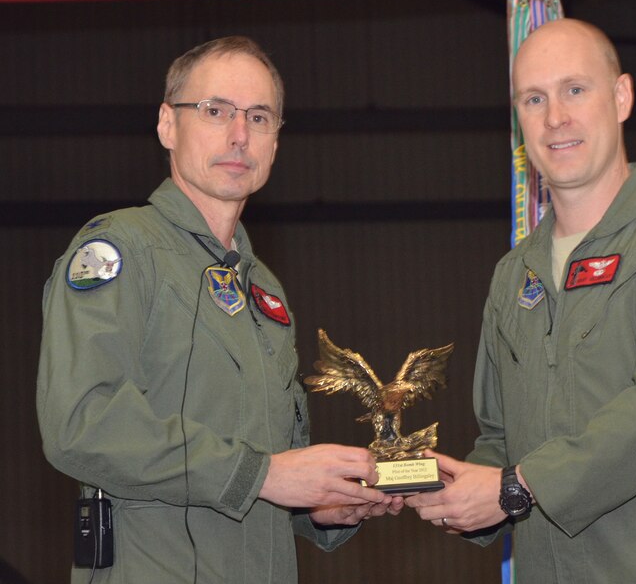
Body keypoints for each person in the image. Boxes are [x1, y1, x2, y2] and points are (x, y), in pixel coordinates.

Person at [406, 18, 636, 583]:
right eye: (534, 98)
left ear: (622, 96)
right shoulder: (515, 276)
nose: (556, 118)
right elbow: (502, 439)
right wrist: (453, 490)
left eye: (575, 89)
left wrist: (516, 488)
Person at [37, 36, 402, 583]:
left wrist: (319, 506)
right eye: (215, 111)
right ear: (167, 124)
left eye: (259, 117)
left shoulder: (265, 292)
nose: (239, 135)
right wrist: (264, 475)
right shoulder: (121, 250)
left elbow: (272, 466)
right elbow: (81, 423)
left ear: (276, 142)